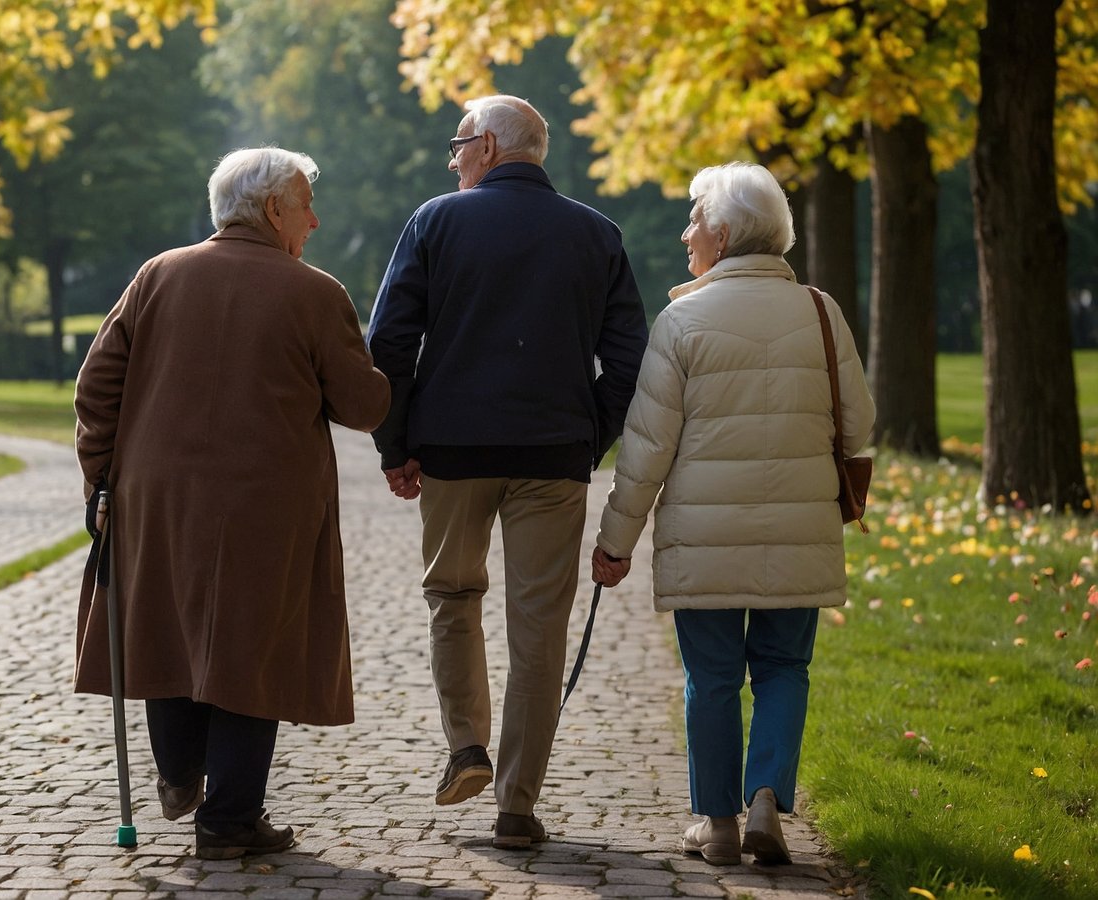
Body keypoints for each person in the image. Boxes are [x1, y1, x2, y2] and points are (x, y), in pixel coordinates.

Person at [73, 147, 390, 860]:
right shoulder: (314, 293)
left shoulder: (158, 275)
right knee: (256, 650)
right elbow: (363, 406)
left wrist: (101, 479)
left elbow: (97, 387)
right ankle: (228, 823)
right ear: (273, 209)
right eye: (305, 202)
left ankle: (180, 772)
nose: (315, 218)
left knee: (165, 625)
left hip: (157, 495)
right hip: (266, 501)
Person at [366, 95, 648, 849]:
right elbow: (628, 358)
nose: (452, 158)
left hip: (452, 454)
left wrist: (395, 445)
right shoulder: (598, 234)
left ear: (488, 146)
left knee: (452, 596)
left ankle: (466, 746)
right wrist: (588, 435)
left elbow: (389, 343)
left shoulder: (434, 222)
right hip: (553, 457)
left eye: (459, 144)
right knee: (538, 629)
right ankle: (517, 803)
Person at [591, 162, 875, 866]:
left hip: (706, 538)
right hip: (799, 530)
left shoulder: (684, 319)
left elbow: (648, 448)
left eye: (694, 220)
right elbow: (859, 423)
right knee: (783, 669)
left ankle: (716, 824)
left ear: (720, 235)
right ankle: (767, 803)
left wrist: (615, 541)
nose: (687, 233)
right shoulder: (820, 310)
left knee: (711, 678)